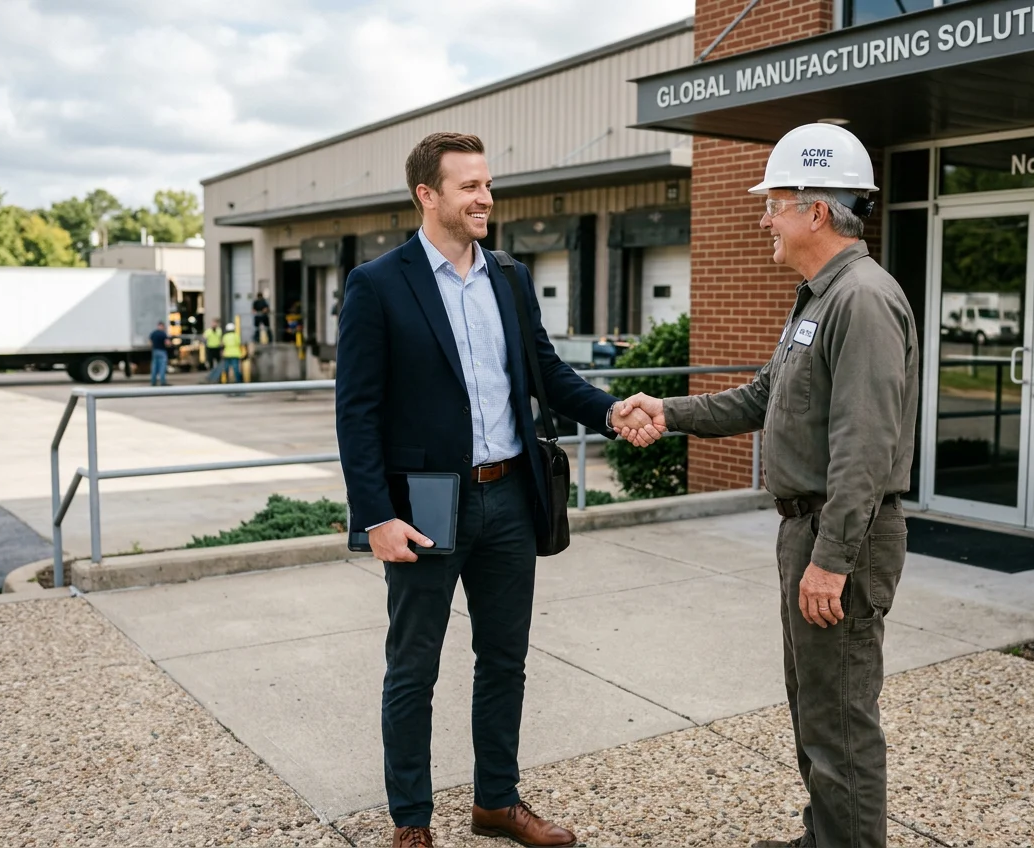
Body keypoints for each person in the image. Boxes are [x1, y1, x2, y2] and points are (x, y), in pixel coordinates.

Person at [335, 131, 659, 848]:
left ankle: (496, 802)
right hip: (422, 502)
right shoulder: (378, 285)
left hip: (511, 494)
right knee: (413, 666)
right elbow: (356, 413)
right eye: (469, 187)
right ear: (428, 195)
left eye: (487, 184)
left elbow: (546, 373)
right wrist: (376, 515)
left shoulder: (508, 277)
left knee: (505, 660)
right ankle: (411, 823)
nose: (486, 198)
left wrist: (610, 411)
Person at [616, 123, 918, 848]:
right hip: (808, 531)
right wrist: (670, 410)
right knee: (816, 707)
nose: (763, 220)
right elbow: (761, 397)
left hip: (841, 536)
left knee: (841, 719)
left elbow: (864, 446)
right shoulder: (819, 298)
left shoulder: (863, 301)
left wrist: (833, 558)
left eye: (774, 204)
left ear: (817, 210)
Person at [148, 321, 170, 386]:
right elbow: (167, 343)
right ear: (162, 326)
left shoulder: (153, 333)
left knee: (154, 367)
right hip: (162, 351)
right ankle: (162, 382)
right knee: (162, 367)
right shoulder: (163, 334)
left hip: (155, 351)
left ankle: (153, 382)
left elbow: (150, 342)